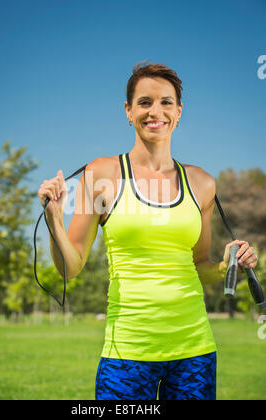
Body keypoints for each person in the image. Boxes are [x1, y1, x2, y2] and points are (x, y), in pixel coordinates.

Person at [38, 61, 258, 400]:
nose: (156, 111)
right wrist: (54, 219)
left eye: (166, 102)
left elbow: (199, 266)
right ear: (128, 110)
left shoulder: (201, 183)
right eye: (144, 102)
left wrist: (228, 264)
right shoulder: (101, 175)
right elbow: (71, 265)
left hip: (194, 351)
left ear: (179, 111)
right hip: (126, 354)